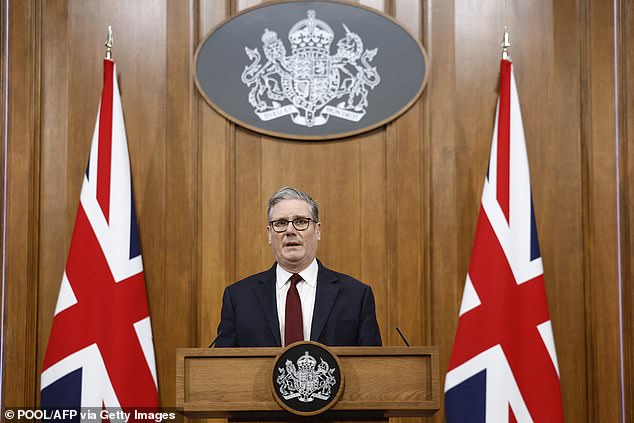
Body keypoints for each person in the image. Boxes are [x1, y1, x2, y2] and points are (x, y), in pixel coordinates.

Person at [216, 187, 382, 347]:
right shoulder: (238, 298)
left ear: (317, 230)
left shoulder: (356, 296)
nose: (290, 230)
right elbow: (222, 363)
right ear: (269, 234)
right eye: (280, 223)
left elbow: (371, 363)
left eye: (301, 222)